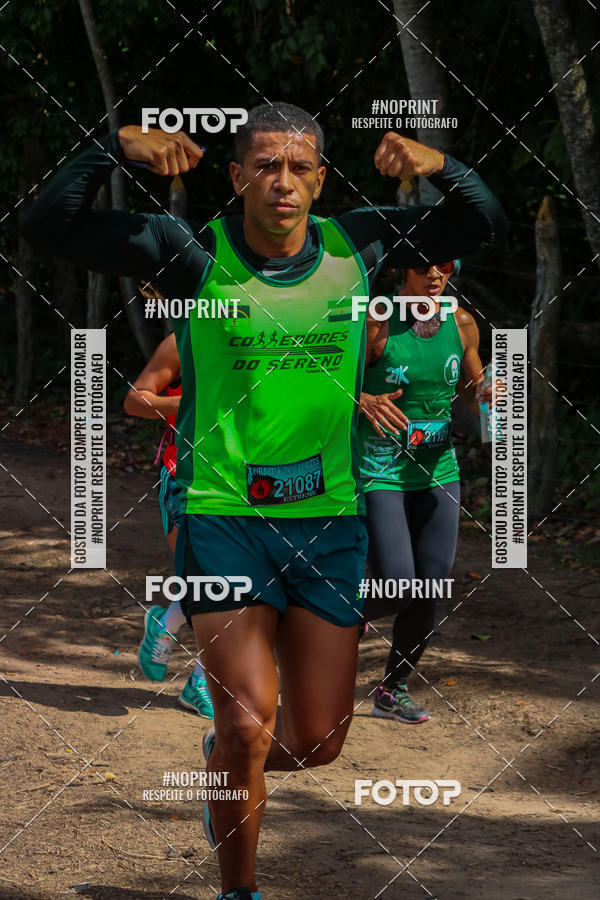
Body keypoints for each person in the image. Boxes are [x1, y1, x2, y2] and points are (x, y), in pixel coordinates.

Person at [22, 102, 506, 900]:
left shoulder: (360, 240)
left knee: (316, 743)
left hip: (329, 522)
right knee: (250, 723)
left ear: (319, 179)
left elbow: (481, 223)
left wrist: (437, 166)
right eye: (267, 165)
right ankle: (237, 887)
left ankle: (227, 764)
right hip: (224, 516)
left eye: (300, 167)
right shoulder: (191, 255)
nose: (283, 181)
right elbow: (48, 226)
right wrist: (113, 147)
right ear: (239, 174)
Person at [358, 260, 491, 724]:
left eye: (447, 264)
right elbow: (325, 386)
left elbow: (477, 389)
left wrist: (492, 393)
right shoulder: (377, 322)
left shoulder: (461, 321)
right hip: (381, 473)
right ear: (402, 270)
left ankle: (391, 689)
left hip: (438, 470)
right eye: (422, 264)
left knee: (428, 587)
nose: (435, 273)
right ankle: (321, 626)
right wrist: (361, 399)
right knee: (396, 584)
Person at [123, 313, 214, 719]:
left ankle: (170, 624)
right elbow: (135, 399)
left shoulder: (263, 341)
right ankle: (195, 670)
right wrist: (191, 402)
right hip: (186, 477)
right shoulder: (183, 340)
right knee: (206, 582)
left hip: (248, 480)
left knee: (237, 586)